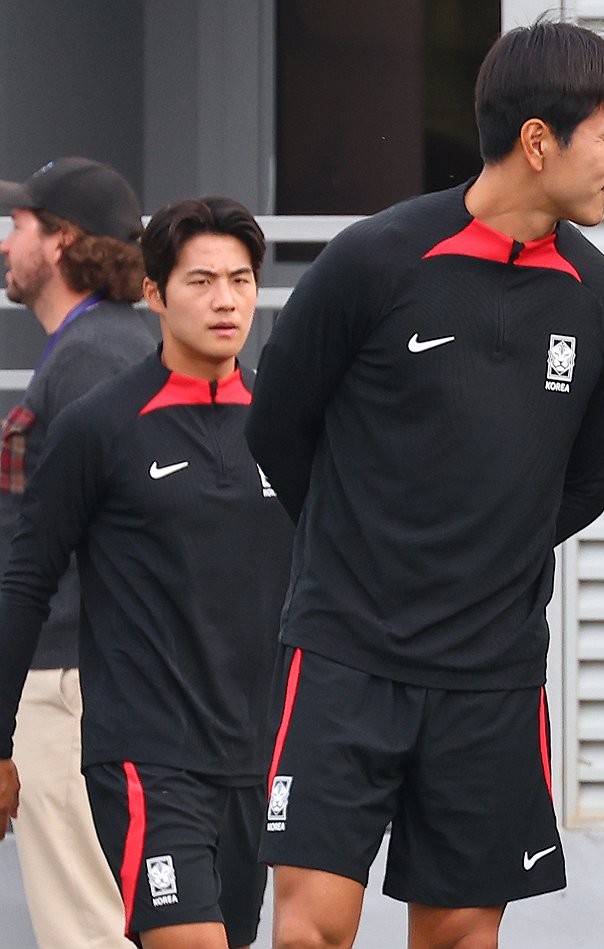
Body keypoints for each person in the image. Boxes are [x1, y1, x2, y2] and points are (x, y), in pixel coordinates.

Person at [245, 18, 604, 949]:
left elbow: (586, 482)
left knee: (464, 931)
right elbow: (277, 425)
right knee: (313, 926)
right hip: (345, 650)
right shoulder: (375, 260)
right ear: (539, 141)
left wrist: (486, 551)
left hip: (492, 671)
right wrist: (360, 541)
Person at [0, 196, 294, 948]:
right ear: (156, 293)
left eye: (240, 279)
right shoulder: (98, 427)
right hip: (145, 758)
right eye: (200, 281)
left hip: (259, 758)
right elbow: (25, 586)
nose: (225, 300)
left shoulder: (288, 424)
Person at [0, 156, 155, 948]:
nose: (6, 244)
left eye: (19, 226)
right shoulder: (107, 345)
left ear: (60, 242)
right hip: (89, 674)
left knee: (86, 929)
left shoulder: (93, 357)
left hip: (71, 681)